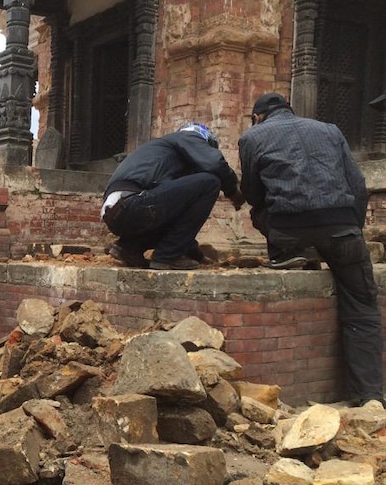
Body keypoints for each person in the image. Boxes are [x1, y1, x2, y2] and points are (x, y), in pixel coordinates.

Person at [239, 92, 383, 406]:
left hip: (290, 230)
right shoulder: (330, 130)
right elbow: (357, 185)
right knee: (362, 306)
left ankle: (290, 255)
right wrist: (352, 228)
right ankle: (370, 396)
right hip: (342, 228)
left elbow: (252, 192)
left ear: (258, 117)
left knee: (259, 211)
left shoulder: (252, 137)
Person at [102, 122, 245, 270]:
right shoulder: (189, 137)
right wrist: (233, 191)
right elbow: (214, 164)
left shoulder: (164, 155)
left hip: (117, 212)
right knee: (210, 182)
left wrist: (198, 256)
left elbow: (178, 219)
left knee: (177, 207)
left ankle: (129, 248)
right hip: (133, 204)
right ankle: (167, 257)